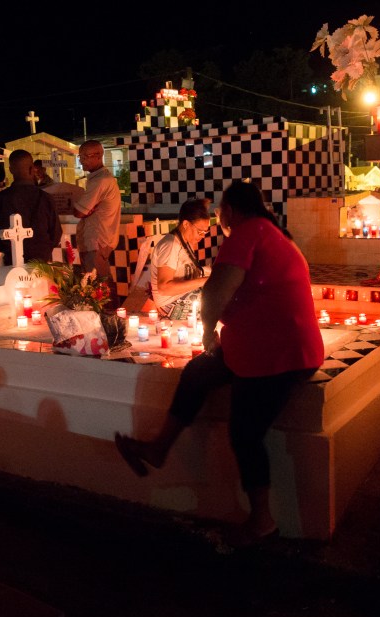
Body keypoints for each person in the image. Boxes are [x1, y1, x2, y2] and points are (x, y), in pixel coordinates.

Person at [115, 180, 324, 547]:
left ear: (228, 212)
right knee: (198, 373)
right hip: (268, 345)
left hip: (277, 354)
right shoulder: (272, 233)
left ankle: (262, 521)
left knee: (245, 432)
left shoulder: (247, 233)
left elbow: (215, 289)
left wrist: (208, 331)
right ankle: (159, 448)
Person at [0, 149, 61, 265]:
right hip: (41, 264)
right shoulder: (46, 199)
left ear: (11, 170)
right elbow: (56, 235)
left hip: (11, 265)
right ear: (32, 169)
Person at [149, 197, 211, 318]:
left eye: (205, 232)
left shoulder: (185, 243)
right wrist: (205, 281)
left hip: (185, 297)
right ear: (186, 224)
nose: (203, 236)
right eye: (200, 232)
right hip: (171, 305)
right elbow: (164, 287)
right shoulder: (171, 245)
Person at [73, 140, 121, 280]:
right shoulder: (99, 178)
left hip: (97, 242)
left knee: (99, 288)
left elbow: (78, 212)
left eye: (84, 157)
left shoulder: (100, 181)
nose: (81, 161)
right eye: (80, 157)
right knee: (98, 285)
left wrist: (81, 208)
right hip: (98, 241)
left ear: (98, 155)